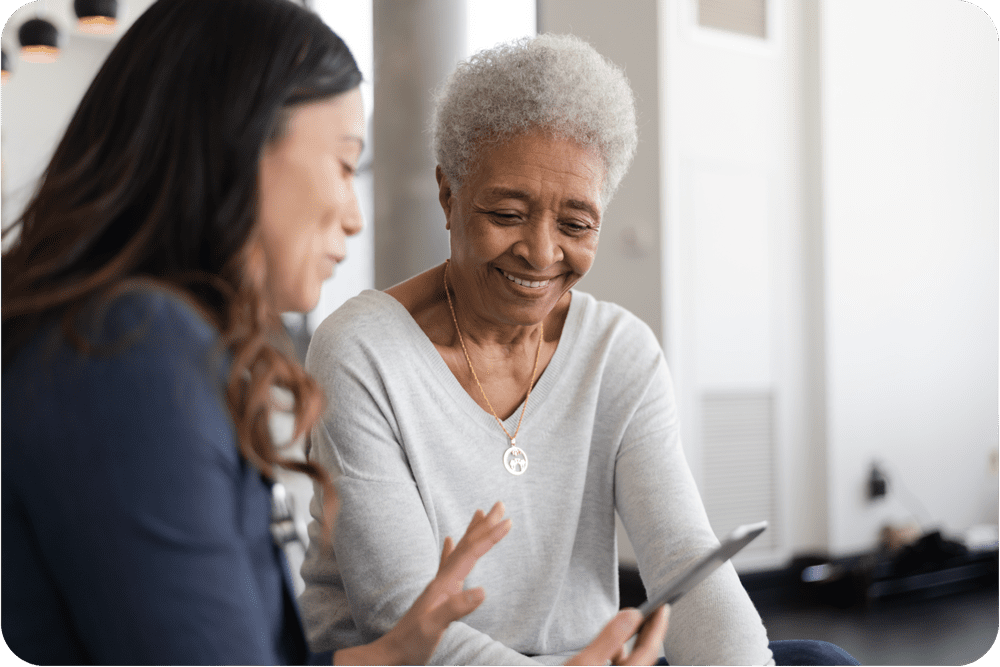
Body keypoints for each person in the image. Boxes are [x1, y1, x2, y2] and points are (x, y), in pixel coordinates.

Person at [299, 34, 860, 666]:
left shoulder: (619, 352)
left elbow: (684, 557)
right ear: (448, 194)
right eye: (507, 213)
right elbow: (402, 619)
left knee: (819, 661)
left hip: (587, 660)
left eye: (575, 224)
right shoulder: (362, 351)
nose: (541, 254)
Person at [1, 1, 518, 664]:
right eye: (342, 162)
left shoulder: (138, 340)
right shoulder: (132, 350)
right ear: (239, 144)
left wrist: (390, 653)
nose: (355, 217)